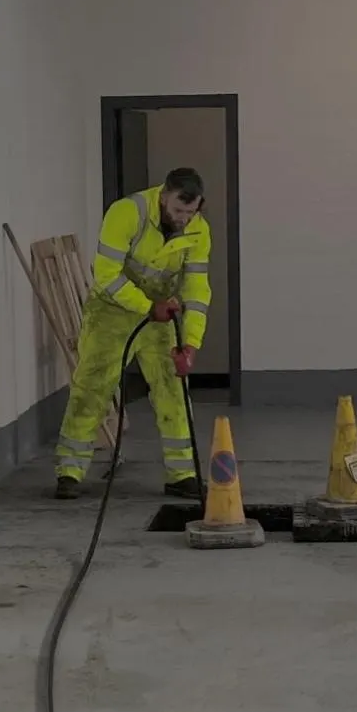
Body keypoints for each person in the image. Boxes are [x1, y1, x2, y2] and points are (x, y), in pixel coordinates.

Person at [54, 167, 211, 500]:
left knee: (173, 389)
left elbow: (197, 289)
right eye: (178, 210)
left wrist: (191, 344)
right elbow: (106, 276)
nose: (183, 218)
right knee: (92, 386)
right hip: (111, 312)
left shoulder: (199, 231)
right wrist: (145, 306)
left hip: (161, 316)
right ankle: (70, 471)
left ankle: (182, 474)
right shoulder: (126, 213)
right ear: (164, 195)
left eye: (190, 211)